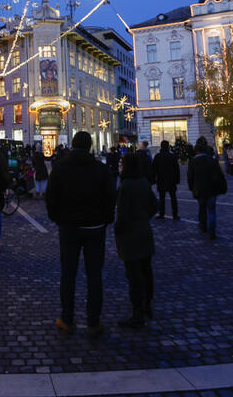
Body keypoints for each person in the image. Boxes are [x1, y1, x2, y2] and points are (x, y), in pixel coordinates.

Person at [45, 131, 116, 336]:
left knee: (68, 274)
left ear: (72, 146)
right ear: (90, 146)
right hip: (95, 228)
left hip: (68, 228)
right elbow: (111, 198)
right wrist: (105, 219)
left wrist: (57, 218)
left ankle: (67, 319)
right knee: (94, 276)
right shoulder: (100, 169)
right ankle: (93, 322)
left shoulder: (60, 169)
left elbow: (51, 197)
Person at [114, 152, 159, 328]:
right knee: (146, 271)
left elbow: (122, 213)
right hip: (144, 231)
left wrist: (119, 228)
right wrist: (144, 217)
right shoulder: (143, 183)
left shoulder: (125, 186)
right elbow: (154, 206)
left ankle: (137, 312)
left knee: (134, 275)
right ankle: (147, 304)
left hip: (130, 235)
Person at [188, 137, 227, 240]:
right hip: (212, 189)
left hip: (200, 189)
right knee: (212, 210)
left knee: (202, 208)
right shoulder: (212, 160)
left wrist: (192, 188)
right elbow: (220, 174)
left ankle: (203, 226)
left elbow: (190, 177)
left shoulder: (193, 161)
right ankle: (212, 230)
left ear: (196, 151)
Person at [151, 140, 180, 220]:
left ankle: (161, 214)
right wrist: (177, 180)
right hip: (171, 180)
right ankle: (175, 214)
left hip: (161, 180)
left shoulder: (157, 156)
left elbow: (154, 169)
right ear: (168, 147)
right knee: (173, 198)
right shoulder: (172, 156)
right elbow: (176, 169)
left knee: (162, 198)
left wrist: (154, 179)